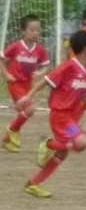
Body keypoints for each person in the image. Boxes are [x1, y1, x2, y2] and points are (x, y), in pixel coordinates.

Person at [20, 30, 86, 198]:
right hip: (61, 116)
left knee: (63, 152)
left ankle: (34, 184)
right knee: (82, 143)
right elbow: (46, 80)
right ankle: (48, 144)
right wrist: (29, 96)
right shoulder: (68, 66)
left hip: (70, 117)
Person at [2, 15, 51, 151]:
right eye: (32, 30)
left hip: (27, 85)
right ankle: (12, 130)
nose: (36, 33)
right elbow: (1, 58)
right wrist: (5, 74)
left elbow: (46, 65)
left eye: (38, 30)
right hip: (15, 83)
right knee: (30, 109)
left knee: (23, 111)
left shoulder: (39, 49)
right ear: (23, 31)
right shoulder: (15, 46)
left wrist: (41, 73)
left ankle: (6, 140)